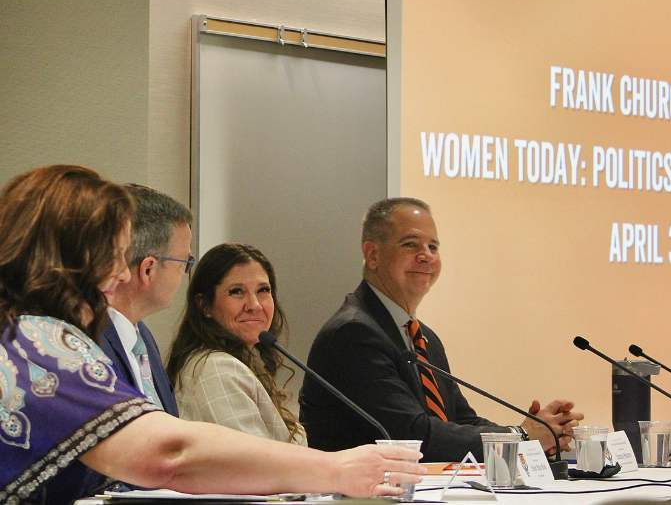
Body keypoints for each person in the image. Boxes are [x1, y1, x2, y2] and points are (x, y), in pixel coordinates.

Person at [0, 166, 424, 505]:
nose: (122, 273)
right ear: (70, 255)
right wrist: (335, 469)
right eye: (113, 253)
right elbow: (167, 454)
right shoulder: (35, 340)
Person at [300, 197, 584, 462]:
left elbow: (461, 421)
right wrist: (520, 438)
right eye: (411, 244)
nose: (427, 256)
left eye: (433, 247)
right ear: (373, 255)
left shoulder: (423, 337)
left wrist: (533, 436)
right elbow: (413, 436)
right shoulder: (353, 333)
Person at [167, 243, 305, 445]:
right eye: (237, 291)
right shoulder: (217, 370)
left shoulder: (232, 362)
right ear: (204, 304)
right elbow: (257, 468)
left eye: (263, 290)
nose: (254, 305)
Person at [101, 184, 193, 417]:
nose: (185, 273)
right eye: (184, 262)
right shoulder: (87, 342)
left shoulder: (143, 339)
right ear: (148, 269)